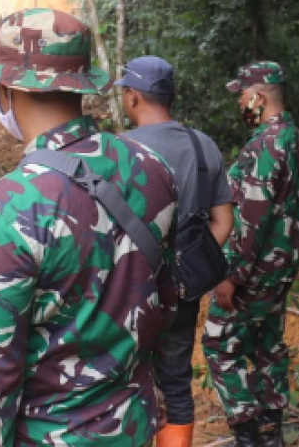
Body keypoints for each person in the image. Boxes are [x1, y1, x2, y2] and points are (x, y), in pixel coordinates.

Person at [0, 9, 178, 447]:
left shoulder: (13, 205)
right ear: (81, 84)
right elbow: (163, 301)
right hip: (133, 427)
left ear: (4, 89)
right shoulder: (153, 170)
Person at [115, 56, 234, 447]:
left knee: (121, 380)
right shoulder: (204, 147)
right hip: (182, 292)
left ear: (132, 97)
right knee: (176, 380)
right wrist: (183, 273)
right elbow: (223, 222)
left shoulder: (116, 151)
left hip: (125, 294)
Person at [202, 62, 299, 447]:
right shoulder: (296, 139)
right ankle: (271, 433)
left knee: (218, 343)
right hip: (281, 268)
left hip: (256, 269)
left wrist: (230, 274)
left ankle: (248, 434)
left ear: (258, 97)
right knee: (267, 345)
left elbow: (251, 217)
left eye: (241, 96)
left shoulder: (266, 145)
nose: (239, 104)